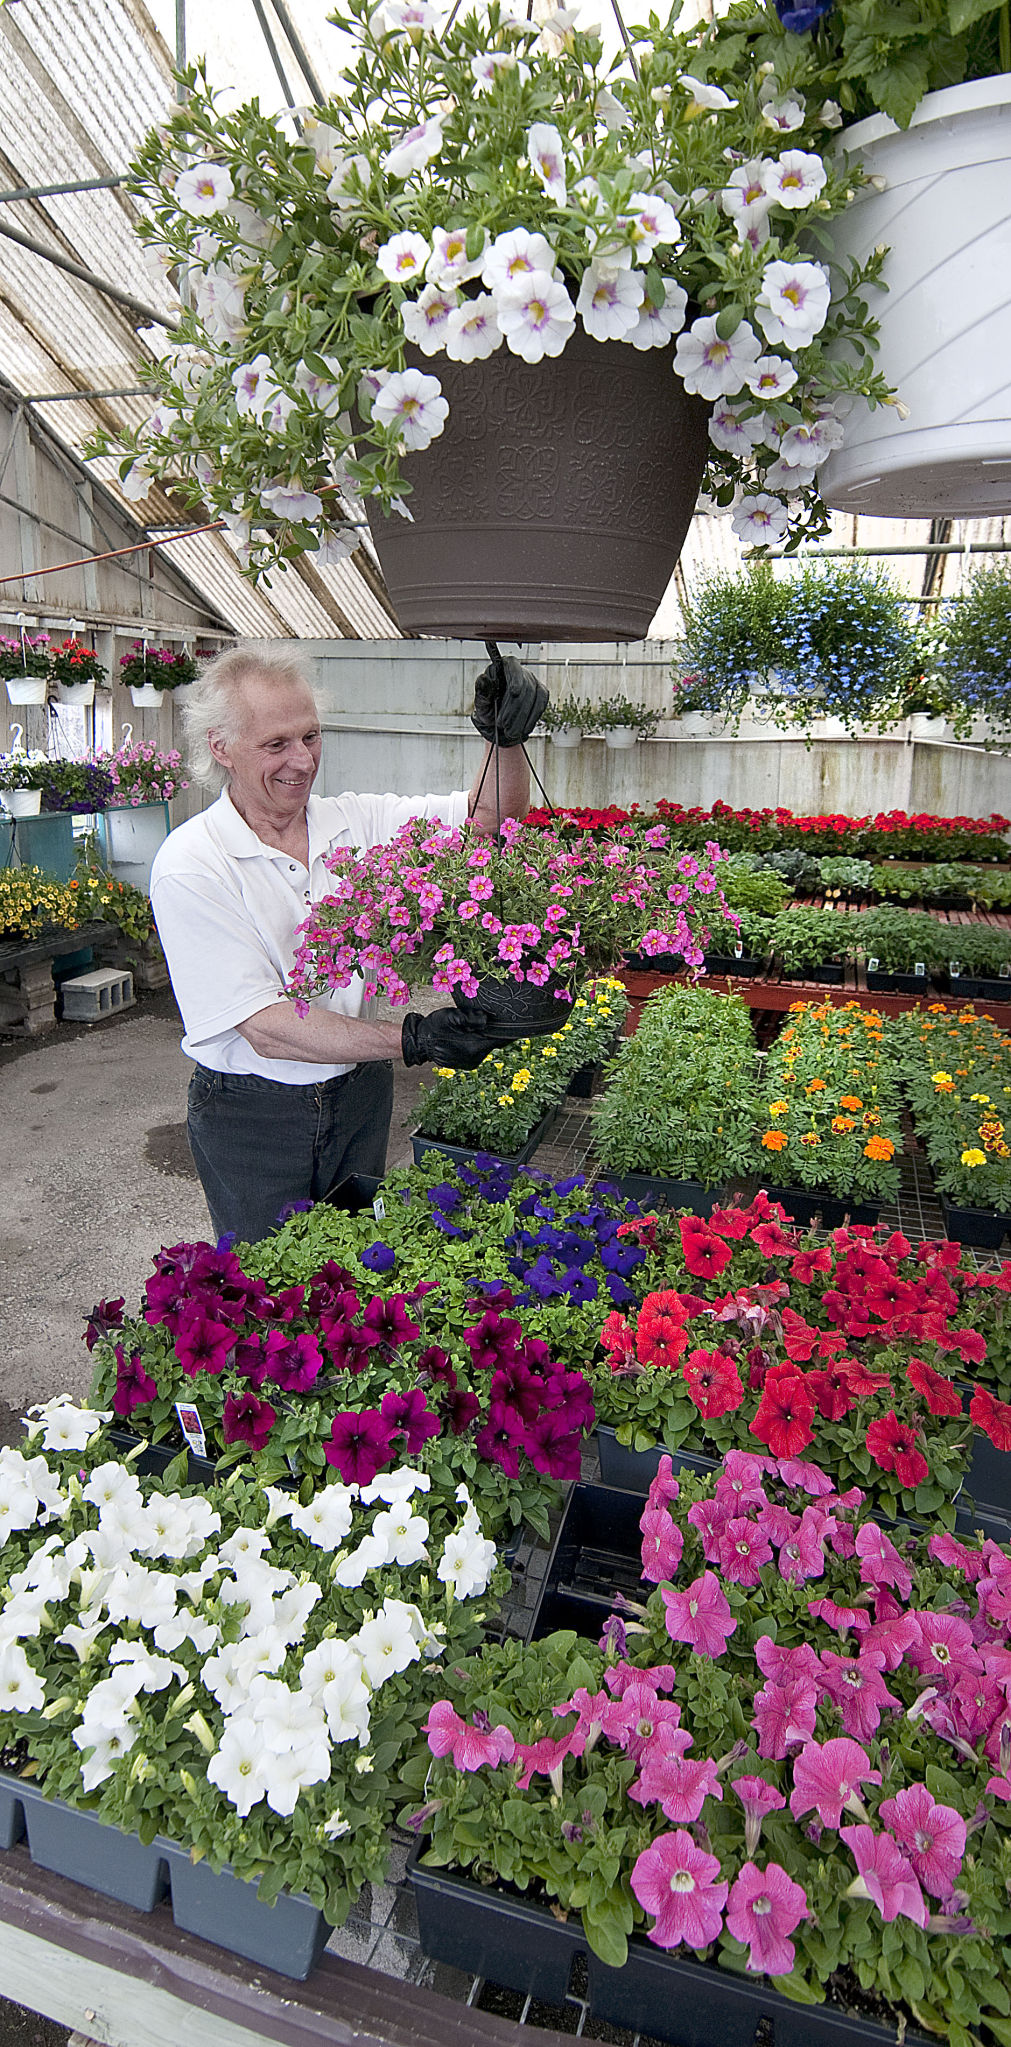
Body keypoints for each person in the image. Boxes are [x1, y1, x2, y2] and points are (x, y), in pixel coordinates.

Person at [150, 645, 547, 1244]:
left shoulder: (353, 822)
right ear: (220, 746)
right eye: (276, 744)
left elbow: (486, 820)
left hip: (360, 1092)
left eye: (310, 736)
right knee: (266, 1290)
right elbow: (266, 1025)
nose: (302, 760)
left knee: (352, 1274)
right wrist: (414, 1038)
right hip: (254, 1112)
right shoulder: (193, 863)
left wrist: (505, 739)